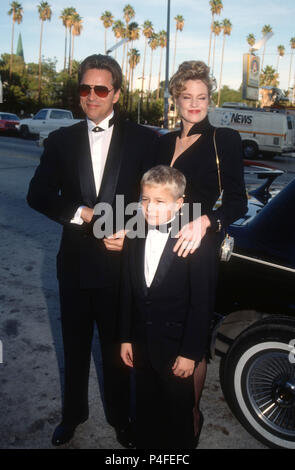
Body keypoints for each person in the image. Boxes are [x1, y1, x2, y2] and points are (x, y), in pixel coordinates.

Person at [27, 54, 158, 447]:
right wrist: (82, 213)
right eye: (85, 88)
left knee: (118, 348)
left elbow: (155, 199)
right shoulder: (61, 140)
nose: (92, 96)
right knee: (75, 343)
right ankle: (73, 415)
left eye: (101, 89)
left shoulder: (144, 140)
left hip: (121, 266)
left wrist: (128, 230)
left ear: (116, 93)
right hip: (76, 264)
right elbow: (38, 194)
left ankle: (121, 418)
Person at [156, 61, 248, 441]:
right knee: (163, 326)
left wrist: (206, 221)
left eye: (202, 97)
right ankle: (165, 404)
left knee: (193, 335)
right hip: (160, 245)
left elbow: (238, 201)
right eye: (187, 96)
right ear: (175, 98)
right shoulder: (161, 141)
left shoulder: (222, 139)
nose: (195, 104)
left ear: (211, 99)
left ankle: (192, 415)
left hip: (197, 244)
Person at [120, 165, 214, 449]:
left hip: (177, 348)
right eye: (145, 199)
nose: (150, 207)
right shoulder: (135, 233)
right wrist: (125, 336)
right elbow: (127, 289)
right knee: (146, 408)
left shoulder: (196, 243)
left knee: (177, 415)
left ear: (179, 204)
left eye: (160, 201)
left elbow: (202, 303)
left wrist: (190, 353)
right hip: (141, 343)